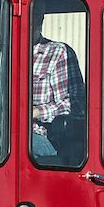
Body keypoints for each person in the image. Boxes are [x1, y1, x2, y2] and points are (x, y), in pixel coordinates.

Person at [31, 10, 74, 160]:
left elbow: (73, 103)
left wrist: (37, 112)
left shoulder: (57, 53)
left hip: (34, 134)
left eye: (36, 16)